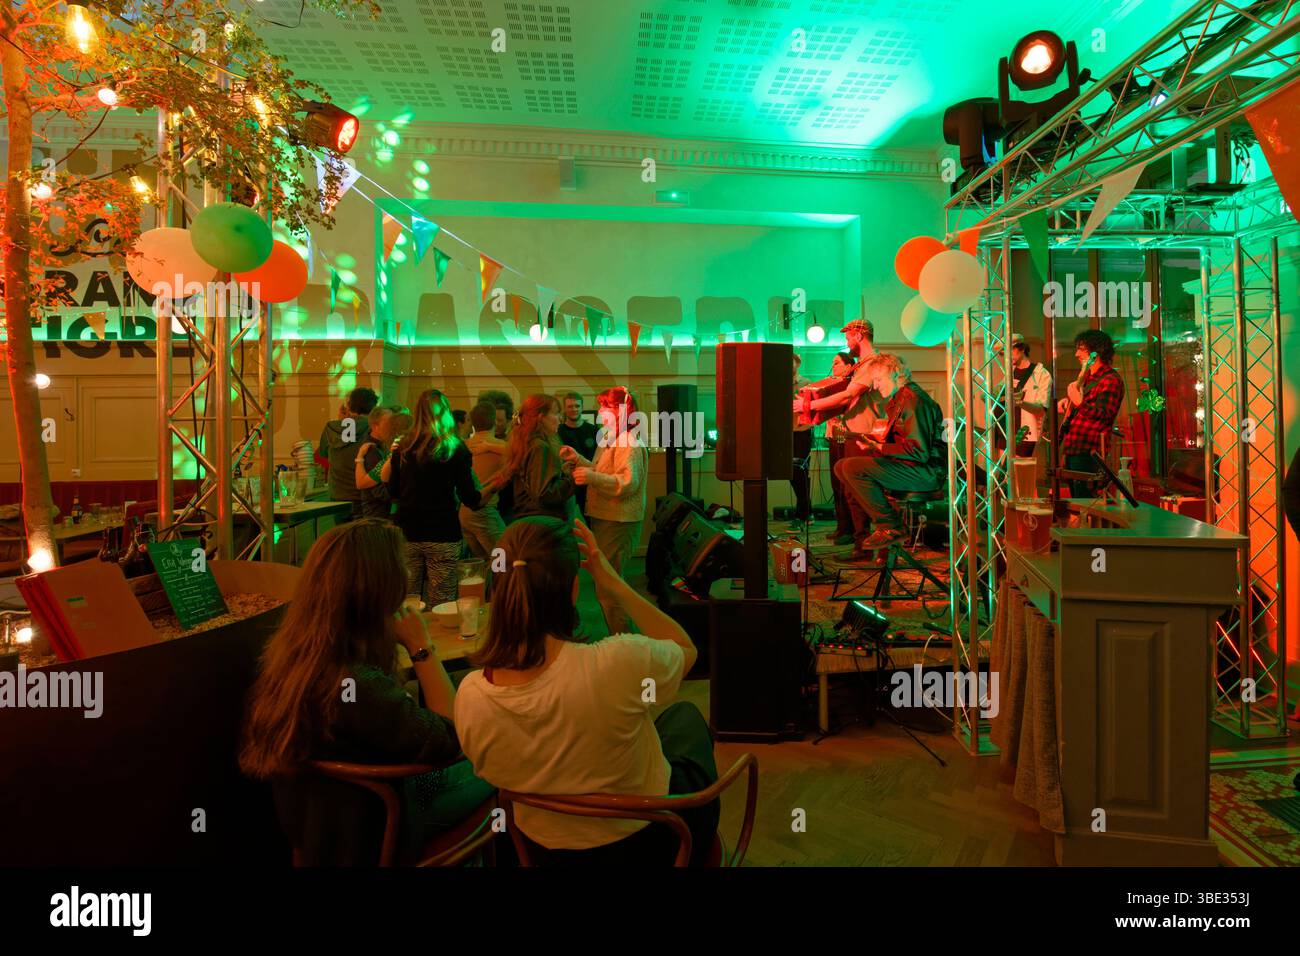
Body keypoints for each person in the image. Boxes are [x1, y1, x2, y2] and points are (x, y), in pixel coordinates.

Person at [453, 517, 719, 866]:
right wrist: (613, 581)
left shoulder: (471, 696)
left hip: (538, 853)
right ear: (574, 590)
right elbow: (685, 648)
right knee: (684, 717)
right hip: (647, 845)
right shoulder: (618, 663)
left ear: (495, 590)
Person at [239, 519, 493, 865]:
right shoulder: (357, 687)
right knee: (502, 761)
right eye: (400, 565)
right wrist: (422, 649)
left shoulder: (291, 662)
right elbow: (452, 737)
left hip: (323, 829)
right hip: (382, 828)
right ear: (377, 589)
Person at [383, 389, 494, 608]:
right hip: (442, 532)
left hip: (407, 532)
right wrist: (496, 485)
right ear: (445, 413)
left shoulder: (403, 448)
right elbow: (471, 499)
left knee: (407, 599)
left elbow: (393, 492)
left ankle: (408, 640)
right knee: (441, 601)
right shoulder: (454, 448)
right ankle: (437, 641)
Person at [833, 354, 945, 561]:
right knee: (842, 467)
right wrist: (875, 445)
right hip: (912, 467)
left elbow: (919, 452)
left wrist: (880, 447)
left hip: (925, 473)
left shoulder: (913, 401)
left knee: (851, 468)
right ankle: (886, 524)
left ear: (896, 375)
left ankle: (891, 526)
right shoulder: (901, 398)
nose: (874, 387)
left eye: (878, 380)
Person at [560, 387, 649, 636]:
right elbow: (604, 472)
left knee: (609, 588)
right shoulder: (611, 437)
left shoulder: (628, 442)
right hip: (608, 518)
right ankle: (623, 642)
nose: (599, 412)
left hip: (618, 521)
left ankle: (625, 645)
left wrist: (591, 477)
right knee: (607, 584)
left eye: (605, 407)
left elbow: (626, 483)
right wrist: (579, 460)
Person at [793, 319, 887, 541]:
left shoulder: (871, 363)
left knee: (857, 492)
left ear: (858, 335)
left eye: (848, 337)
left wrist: (809, 405)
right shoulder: (861, 364)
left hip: (862, 436)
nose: (847, 341)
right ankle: (859, 540)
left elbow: (848, 395)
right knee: (850, 491)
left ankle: (865, 543)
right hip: (853, 435)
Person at [1057, 329, 1125, 499]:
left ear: (1096, 352)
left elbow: (1104, 415)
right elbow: (1083, 407)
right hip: (1074, 447)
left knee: (1085, 502)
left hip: (1090, 451)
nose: (1076, 354)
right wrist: (1068, 404)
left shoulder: (1111, 380)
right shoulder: (1088, 378)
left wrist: (1079, 403)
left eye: (1081, 349)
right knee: (1077, 501)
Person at [496, 394, 577, 522]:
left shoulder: (525, 441)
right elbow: (544, 494)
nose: (560, 419)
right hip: (542, 519)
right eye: (556, 414)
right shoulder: (539, 446)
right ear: (541, 417)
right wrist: (572, 478)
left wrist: (562, 474)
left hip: (528, 517)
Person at [319, 387, 379, 518]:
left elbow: (323, 454)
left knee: (342, 536)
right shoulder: (373, 428)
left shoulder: (331, 428)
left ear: (349, 406)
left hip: (337, 494)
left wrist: (343, 422)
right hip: (363, 494)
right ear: (374, 408)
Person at [460, 401, 508, 562]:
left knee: (481, 563)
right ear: (494, 421)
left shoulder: (462, 446)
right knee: (502, 561)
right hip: (485, 511)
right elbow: (522, 457)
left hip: (463, 513)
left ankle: (485, 588)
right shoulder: (502, 447)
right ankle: (499, 588)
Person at [354, 405, 408, 520]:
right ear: (375, 426)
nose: (392, 427)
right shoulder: (372, 449)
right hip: (379, 515)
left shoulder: (384, 445)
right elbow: (374, 488)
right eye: (389, 423)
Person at [557, 391, 599, 519]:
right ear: (564, 408)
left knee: (593, 525)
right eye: (570, 406)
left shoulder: (594, 431)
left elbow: (600, 459)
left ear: (582, 407)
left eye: (577, 406)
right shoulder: (558, 432)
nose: (574, 409)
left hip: (590, 484)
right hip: (567, 483)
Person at [1010, 336, 1052, 457]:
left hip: (1025, 434)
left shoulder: (1041, 374)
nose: (1007, 355)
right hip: (1005, 432)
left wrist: (1020, 403)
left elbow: (1041, 408)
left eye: (1011, 350)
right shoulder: (1008, 373)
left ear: (1022, 349)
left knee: (1020, 473)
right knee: (1004, 474)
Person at [790, 355, 814, 530]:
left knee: (801, 472)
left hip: (802, 432)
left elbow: (814, 407)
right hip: (784, 434)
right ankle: (806, 511)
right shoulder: (776, 383)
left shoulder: (807, 383)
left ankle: (802, 514)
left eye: (790, 361)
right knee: (790, 473)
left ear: (798, 363)